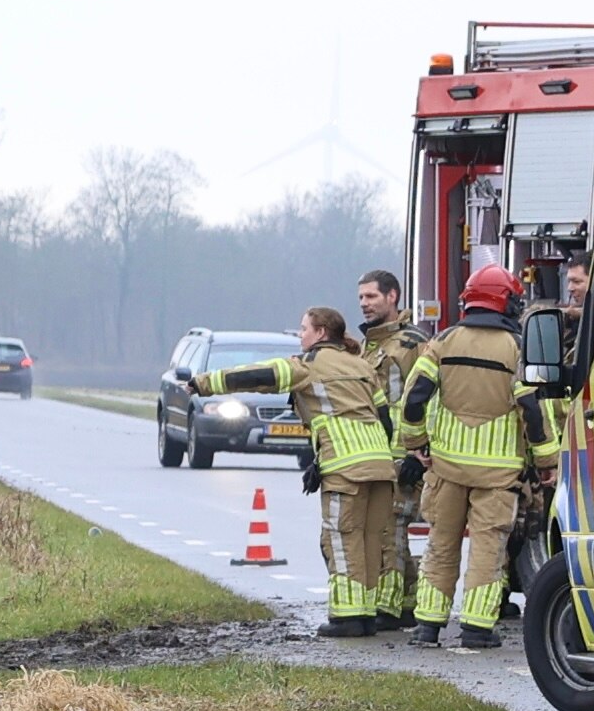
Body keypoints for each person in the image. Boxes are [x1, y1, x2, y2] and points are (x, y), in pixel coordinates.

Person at [180, 306, 407, 634]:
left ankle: (347, 617)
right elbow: (384, 419)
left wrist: (203, 383)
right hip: (381, 468)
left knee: (342, 539)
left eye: (304, 329)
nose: (300, 335)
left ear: (320, 333)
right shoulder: (362, 366)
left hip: (346, 467)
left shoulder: (306, 367)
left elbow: (257, 376)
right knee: (371, 540)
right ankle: (367, 614)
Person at [400, 267, 546, 649]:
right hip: (498, 474)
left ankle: (428, 626)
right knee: (488, 548)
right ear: (509, 303)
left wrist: (415, 441)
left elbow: (415, 396)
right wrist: (547, 461)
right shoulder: (517, 347)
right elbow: (532, 410)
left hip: (446, 468)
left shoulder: (444, 341)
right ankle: (478, 629)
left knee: (441, 543)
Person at [355, 269, 425, 626]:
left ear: (392, 296)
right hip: (379, 454)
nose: (364, 304)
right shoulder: (372, 345)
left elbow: (428, 397)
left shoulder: (412, 344)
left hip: (405, 455)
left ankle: (391, 607)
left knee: (390, 529)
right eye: (362, 298)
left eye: (372, 297)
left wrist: (418, 451)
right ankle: (407, 603)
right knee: (385, 529)